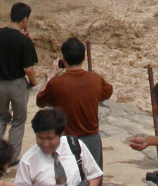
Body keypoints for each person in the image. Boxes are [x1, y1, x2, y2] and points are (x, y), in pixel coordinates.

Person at [35, 37, 112, 169]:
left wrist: (51, 76)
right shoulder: (96, 80)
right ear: (84, 58)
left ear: (63, 60)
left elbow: (40, 100)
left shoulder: (56, 83)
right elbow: (107, 92)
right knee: (94, 177)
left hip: (66, 141)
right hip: (91, 139)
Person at [0, 2, 39, 162]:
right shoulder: (24, 42)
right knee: (18, 121)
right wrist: (34, 82)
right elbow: (29, 69)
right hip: (17, 85)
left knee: (1, 117)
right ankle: (11, 158)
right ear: (24, 19)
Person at [14, 108, 102, 186]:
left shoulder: (75, 146)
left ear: (61, 133)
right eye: (40, 138)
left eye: (50, 138)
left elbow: (94, 175)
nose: (45, 144)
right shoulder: (28, 161)